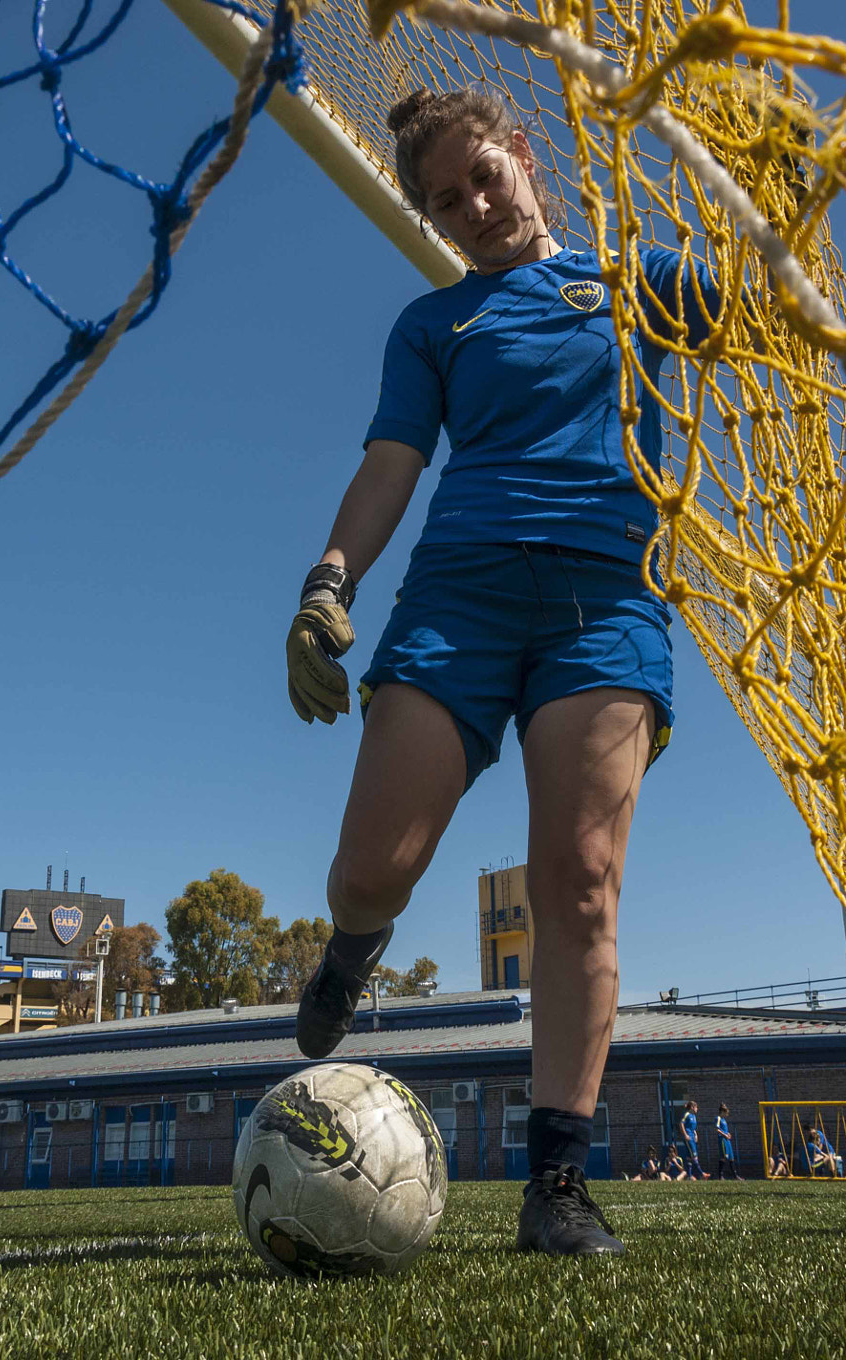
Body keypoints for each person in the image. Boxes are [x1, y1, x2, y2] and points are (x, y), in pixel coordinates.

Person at [285, 83, 714, 1259]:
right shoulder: (432, 327)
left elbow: (774, 304)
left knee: (576, 881)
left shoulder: (640, 282)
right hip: (459, 596)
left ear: (525, 158)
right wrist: (329, 579)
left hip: (607, 607)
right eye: (445, 200)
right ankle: (348, 951)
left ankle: (557, 1186)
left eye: (484, 175)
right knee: (375, 868)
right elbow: (389, 465)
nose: (473, 205)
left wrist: (772, 206)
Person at [679, 1099, 705, 1180]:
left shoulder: (694, 1116)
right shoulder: (686, 1114)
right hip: (688, 1137)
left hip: (693, 1137)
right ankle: (702, 1173)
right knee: (694, 1155)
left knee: (689, 1157)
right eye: (696, 1107)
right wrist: (685, 1135)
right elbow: (681, 1124)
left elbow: (693, 1128)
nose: (697, 1109)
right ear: (692, 1107)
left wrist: (696, 1135)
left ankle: (689, 1176)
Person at [714, 1102, 739, 1180]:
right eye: (726, 1113)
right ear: (722, 1112)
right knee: (724, 1157)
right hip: (722, 1140)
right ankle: (720, 1176)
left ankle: (735, 1176)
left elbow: (724, 1130)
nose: (726, 1115)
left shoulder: (724, 1120)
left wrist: (728, 1133)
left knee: (731, 1157)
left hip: (727, 1139)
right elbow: (717, 1129)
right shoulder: (718, 1118)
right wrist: (724, 1135)